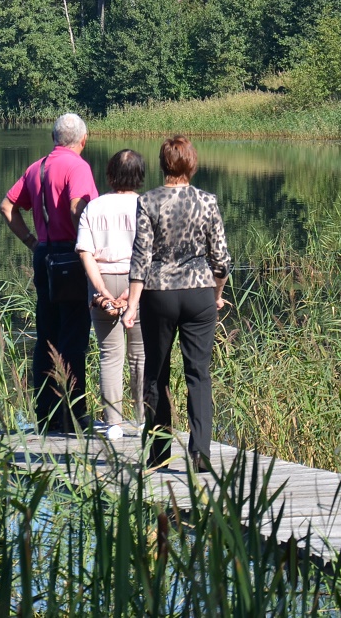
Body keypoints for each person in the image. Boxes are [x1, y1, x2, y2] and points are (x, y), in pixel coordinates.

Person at [123, 135, 231, 472]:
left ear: (163, 165)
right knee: (198, 374)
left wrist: (131, 304)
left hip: (159, 293)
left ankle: (158, 454)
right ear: (191, 164)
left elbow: (140, 258)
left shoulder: (149, 201)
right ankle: (200, 455)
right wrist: (215, 294)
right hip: (199, 291)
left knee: (157, 374)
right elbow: (222, 260)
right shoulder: (207, 202)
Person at [0, 113, 99, 433]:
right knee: (74, 338)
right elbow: (76, 206)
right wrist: (87, 244)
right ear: (83, 140)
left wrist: (32, 241)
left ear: (54, 138)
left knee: (46, 337)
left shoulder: (37, 167)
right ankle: (74, 416)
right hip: (72, 256)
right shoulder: (78, 167)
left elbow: (7, 207)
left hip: (44, 256)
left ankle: (46, 414)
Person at [76, 149, 146, 442]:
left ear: (109, 174)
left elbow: (85, 252)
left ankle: (113, 422)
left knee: (110, 355)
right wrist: (132, 292)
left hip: (102, 279)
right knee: (140, 356)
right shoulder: (146, 206)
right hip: (139, 283)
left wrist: (101, 289)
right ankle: (143, 420)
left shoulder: (93, 207)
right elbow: (151, 253)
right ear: (140, 176)